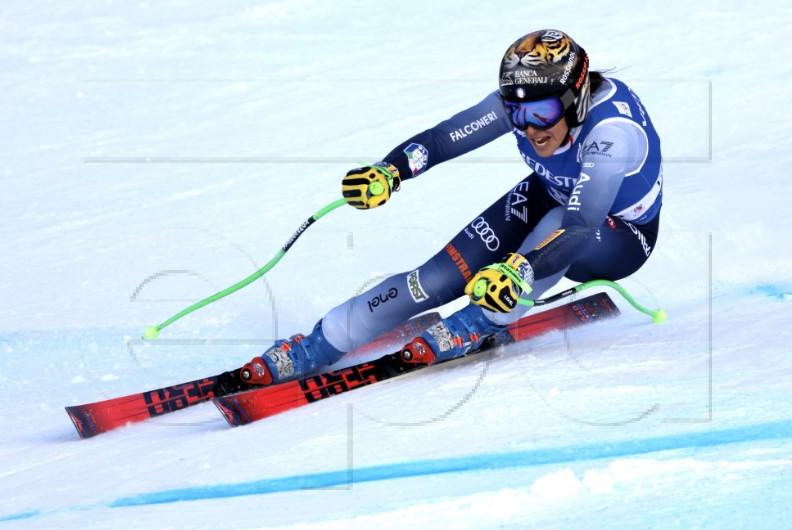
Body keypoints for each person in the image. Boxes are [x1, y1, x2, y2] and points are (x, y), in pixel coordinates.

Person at [241, 29, 663, 386]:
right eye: (517, 113)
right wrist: (391, 171)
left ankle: (481, 320)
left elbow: (581, 223)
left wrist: (521, 268)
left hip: (618, 235)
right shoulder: (527, 104)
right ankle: (322, 341)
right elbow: (444, 140)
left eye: (544, 111)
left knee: (552, 226)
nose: (530, 127)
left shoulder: (613, 134)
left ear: (576, 97)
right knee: (435, 278)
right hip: (552, 193)